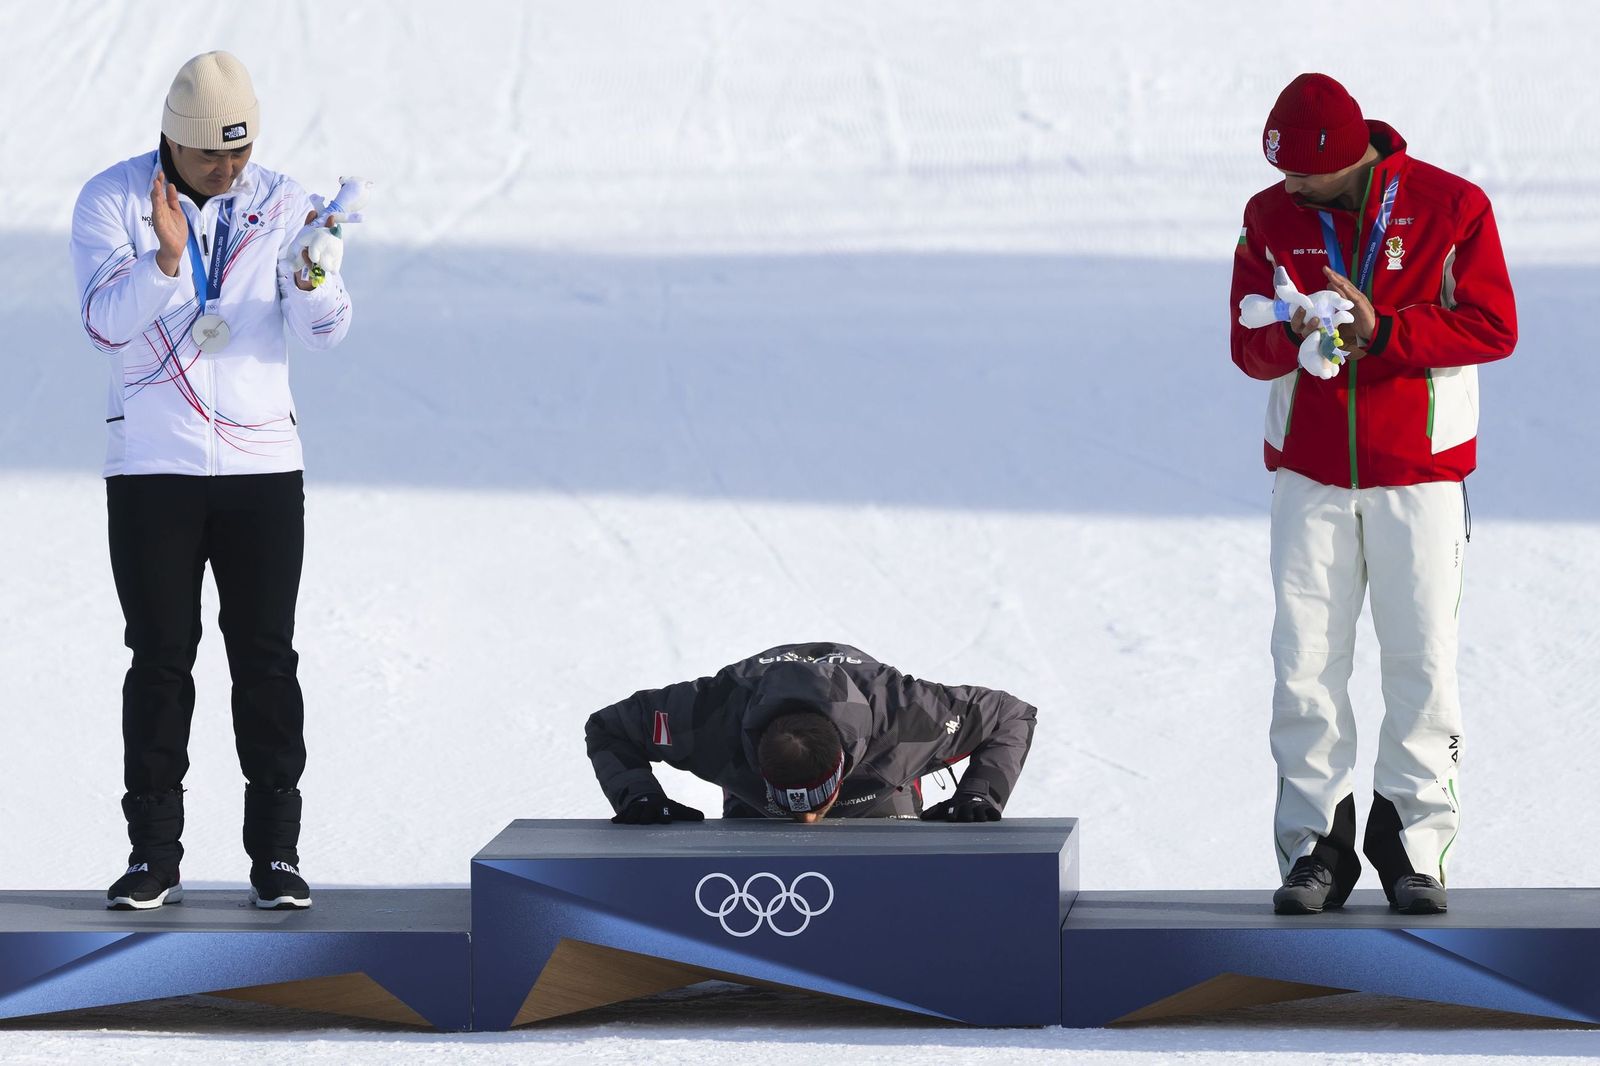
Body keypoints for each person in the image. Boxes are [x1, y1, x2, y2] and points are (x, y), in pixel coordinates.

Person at [70, 51, 356, 911]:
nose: (229, 171)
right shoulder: (111, 200)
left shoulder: (280, 199)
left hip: (263, 468)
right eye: (210, 157)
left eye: (241, 152)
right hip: (155, 467)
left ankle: (276, 855)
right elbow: (101, 328)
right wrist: (165, 263)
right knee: (160, 659)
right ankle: (152, 855)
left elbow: (326, 332)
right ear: (172, 141)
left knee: (266, 659)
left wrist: (314, 277)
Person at [1229, 74, 1516, 915]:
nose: (1287, 188)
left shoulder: (1451, 206)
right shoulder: (1270, 216)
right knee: (1306, 665)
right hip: (1309, 475)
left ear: (1344, 156)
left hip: (1420, 474)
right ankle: (1316, 848)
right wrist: (1293, 329)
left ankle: (1412, 845)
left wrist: (1382, 331)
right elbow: (1246, 350)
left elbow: (1494, 326)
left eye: (1302, 175)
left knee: (1422, 664)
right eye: (1278, 171)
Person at [585, 642, 1037, 823]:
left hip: (876, 788)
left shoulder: (911, 717)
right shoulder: (707, 719)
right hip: (754, 798)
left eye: (814, 803)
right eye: (793, 805)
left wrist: (979, 795)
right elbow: (610, 727)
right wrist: (639, 797)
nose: (807, 821)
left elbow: (1010, 716)